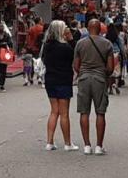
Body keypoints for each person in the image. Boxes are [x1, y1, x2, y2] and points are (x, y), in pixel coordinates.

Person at [73, 19, 114, 155]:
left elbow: (76, 66)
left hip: (84, 79)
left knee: (84, 112)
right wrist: (102, 72)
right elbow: (110, 68)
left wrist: (83, 72)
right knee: (100, 112)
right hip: (100, 79)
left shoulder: (80, 43)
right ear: (100, 29)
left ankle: (86, 145)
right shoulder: (107, 44)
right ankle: (98, 146)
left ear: (87, 28)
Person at [42, 20, 79, 152]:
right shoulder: (66, 47)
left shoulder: (47, 46)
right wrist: (71, 40)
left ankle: (49, 142)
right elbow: (75, 56)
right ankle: (67, 143)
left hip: (50, 79)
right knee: (64, 113)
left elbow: (43, 60)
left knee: (54, 111)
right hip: (63, 80)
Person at [105, 24, 122, 95]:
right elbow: (121, 46)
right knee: (116, 71)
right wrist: (123, 54)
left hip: (108, 54)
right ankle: (116, 85)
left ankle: (110, 89)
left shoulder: (106, 36)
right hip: (116, 53)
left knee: (109, 71)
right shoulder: (117, 37)